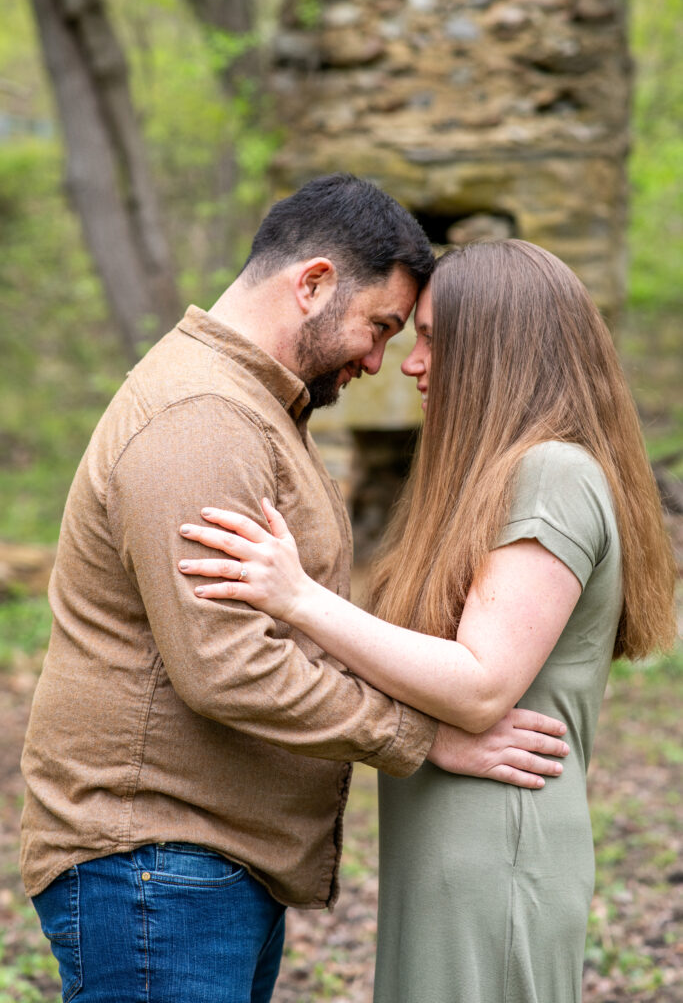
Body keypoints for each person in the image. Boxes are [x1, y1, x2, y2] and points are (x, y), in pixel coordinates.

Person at [21, 178, 570, 1003]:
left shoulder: (255, 409)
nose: (379, 360)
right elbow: (228, 666)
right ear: (311, 283)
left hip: (196, 864)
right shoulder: (201, 419)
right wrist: (421, 736)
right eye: (379, 326)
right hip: (153, 865)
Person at [177, 239, 676, 1003]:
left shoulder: (552, 474)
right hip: (451, 842)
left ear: (499, 351)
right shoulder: (494, 482)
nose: (410, 363)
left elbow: (480, 686)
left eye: (436, 340)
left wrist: (299, 598)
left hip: (497, 846)